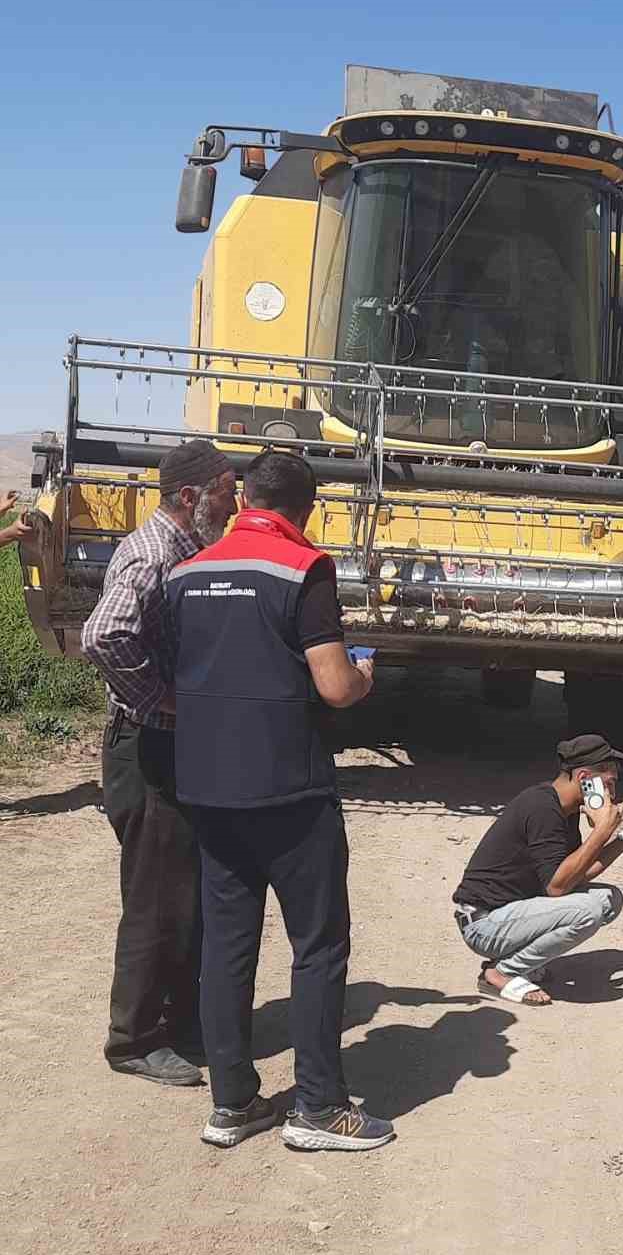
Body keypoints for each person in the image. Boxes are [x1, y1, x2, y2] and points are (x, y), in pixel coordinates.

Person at [168, 449, 394, 1151]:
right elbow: (330, 686)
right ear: (307, 507)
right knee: (318, 946)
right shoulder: (305, 569)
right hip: (290, 791)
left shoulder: (185, 572)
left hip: (208, 787)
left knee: (228, 947)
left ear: (243, 500)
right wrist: (361, 675)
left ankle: (232, 1104)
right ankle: (321, 1109)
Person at [81, 440, 238, 1086]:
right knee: (156, 899)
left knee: (187, 890)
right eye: (227, 494)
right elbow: (103, 634)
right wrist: (163, 699)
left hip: (169, 744)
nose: (232, 507)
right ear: (190, 497)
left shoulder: (186, 550)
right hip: (145, 747)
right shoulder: (151, 553)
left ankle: (179, 1022)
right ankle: (134, 1041)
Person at [451, 734, 623, 1006]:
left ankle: (516, 962)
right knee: (587, 911)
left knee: (607, 899)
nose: (612, 795)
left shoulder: (564, 810)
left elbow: (576, 874)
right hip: (484, 923)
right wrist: (601, 831)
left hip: (510, 914)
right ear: (585, 779)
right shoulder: (542, 807)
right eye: (608, 784)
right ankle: (501, 973)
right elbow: (557, 888)